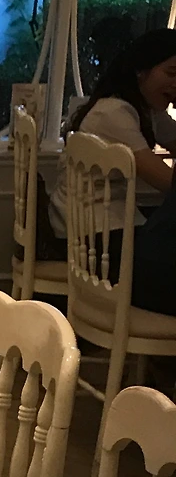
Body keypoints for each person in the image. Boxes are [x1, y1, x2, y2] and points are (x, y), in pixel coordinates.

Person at [44, 29, 176, 310]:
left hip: (96, 226)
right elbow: (167, 182)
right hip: (94, 238)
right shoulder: (114, 113)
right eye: (172, 73)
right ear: (141, 70)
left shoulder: (144, 109)